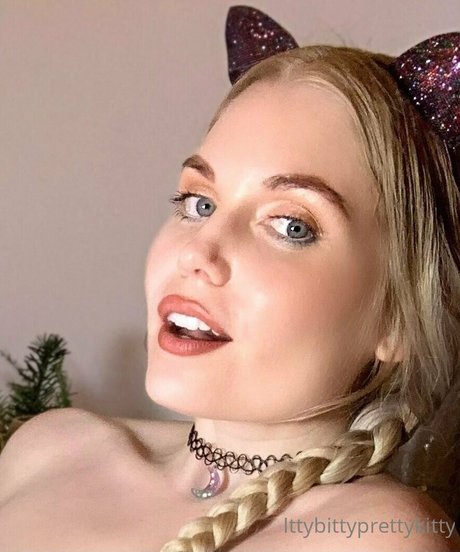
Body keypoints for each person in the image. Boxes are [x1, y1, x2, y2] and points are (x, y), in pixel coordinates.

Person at [0, 5, 459, 552]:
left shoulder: (380, 537)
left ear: (398, 320)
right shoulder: (47, 450)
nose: (198, 252)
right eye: (199, 202)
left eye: (291, 226)